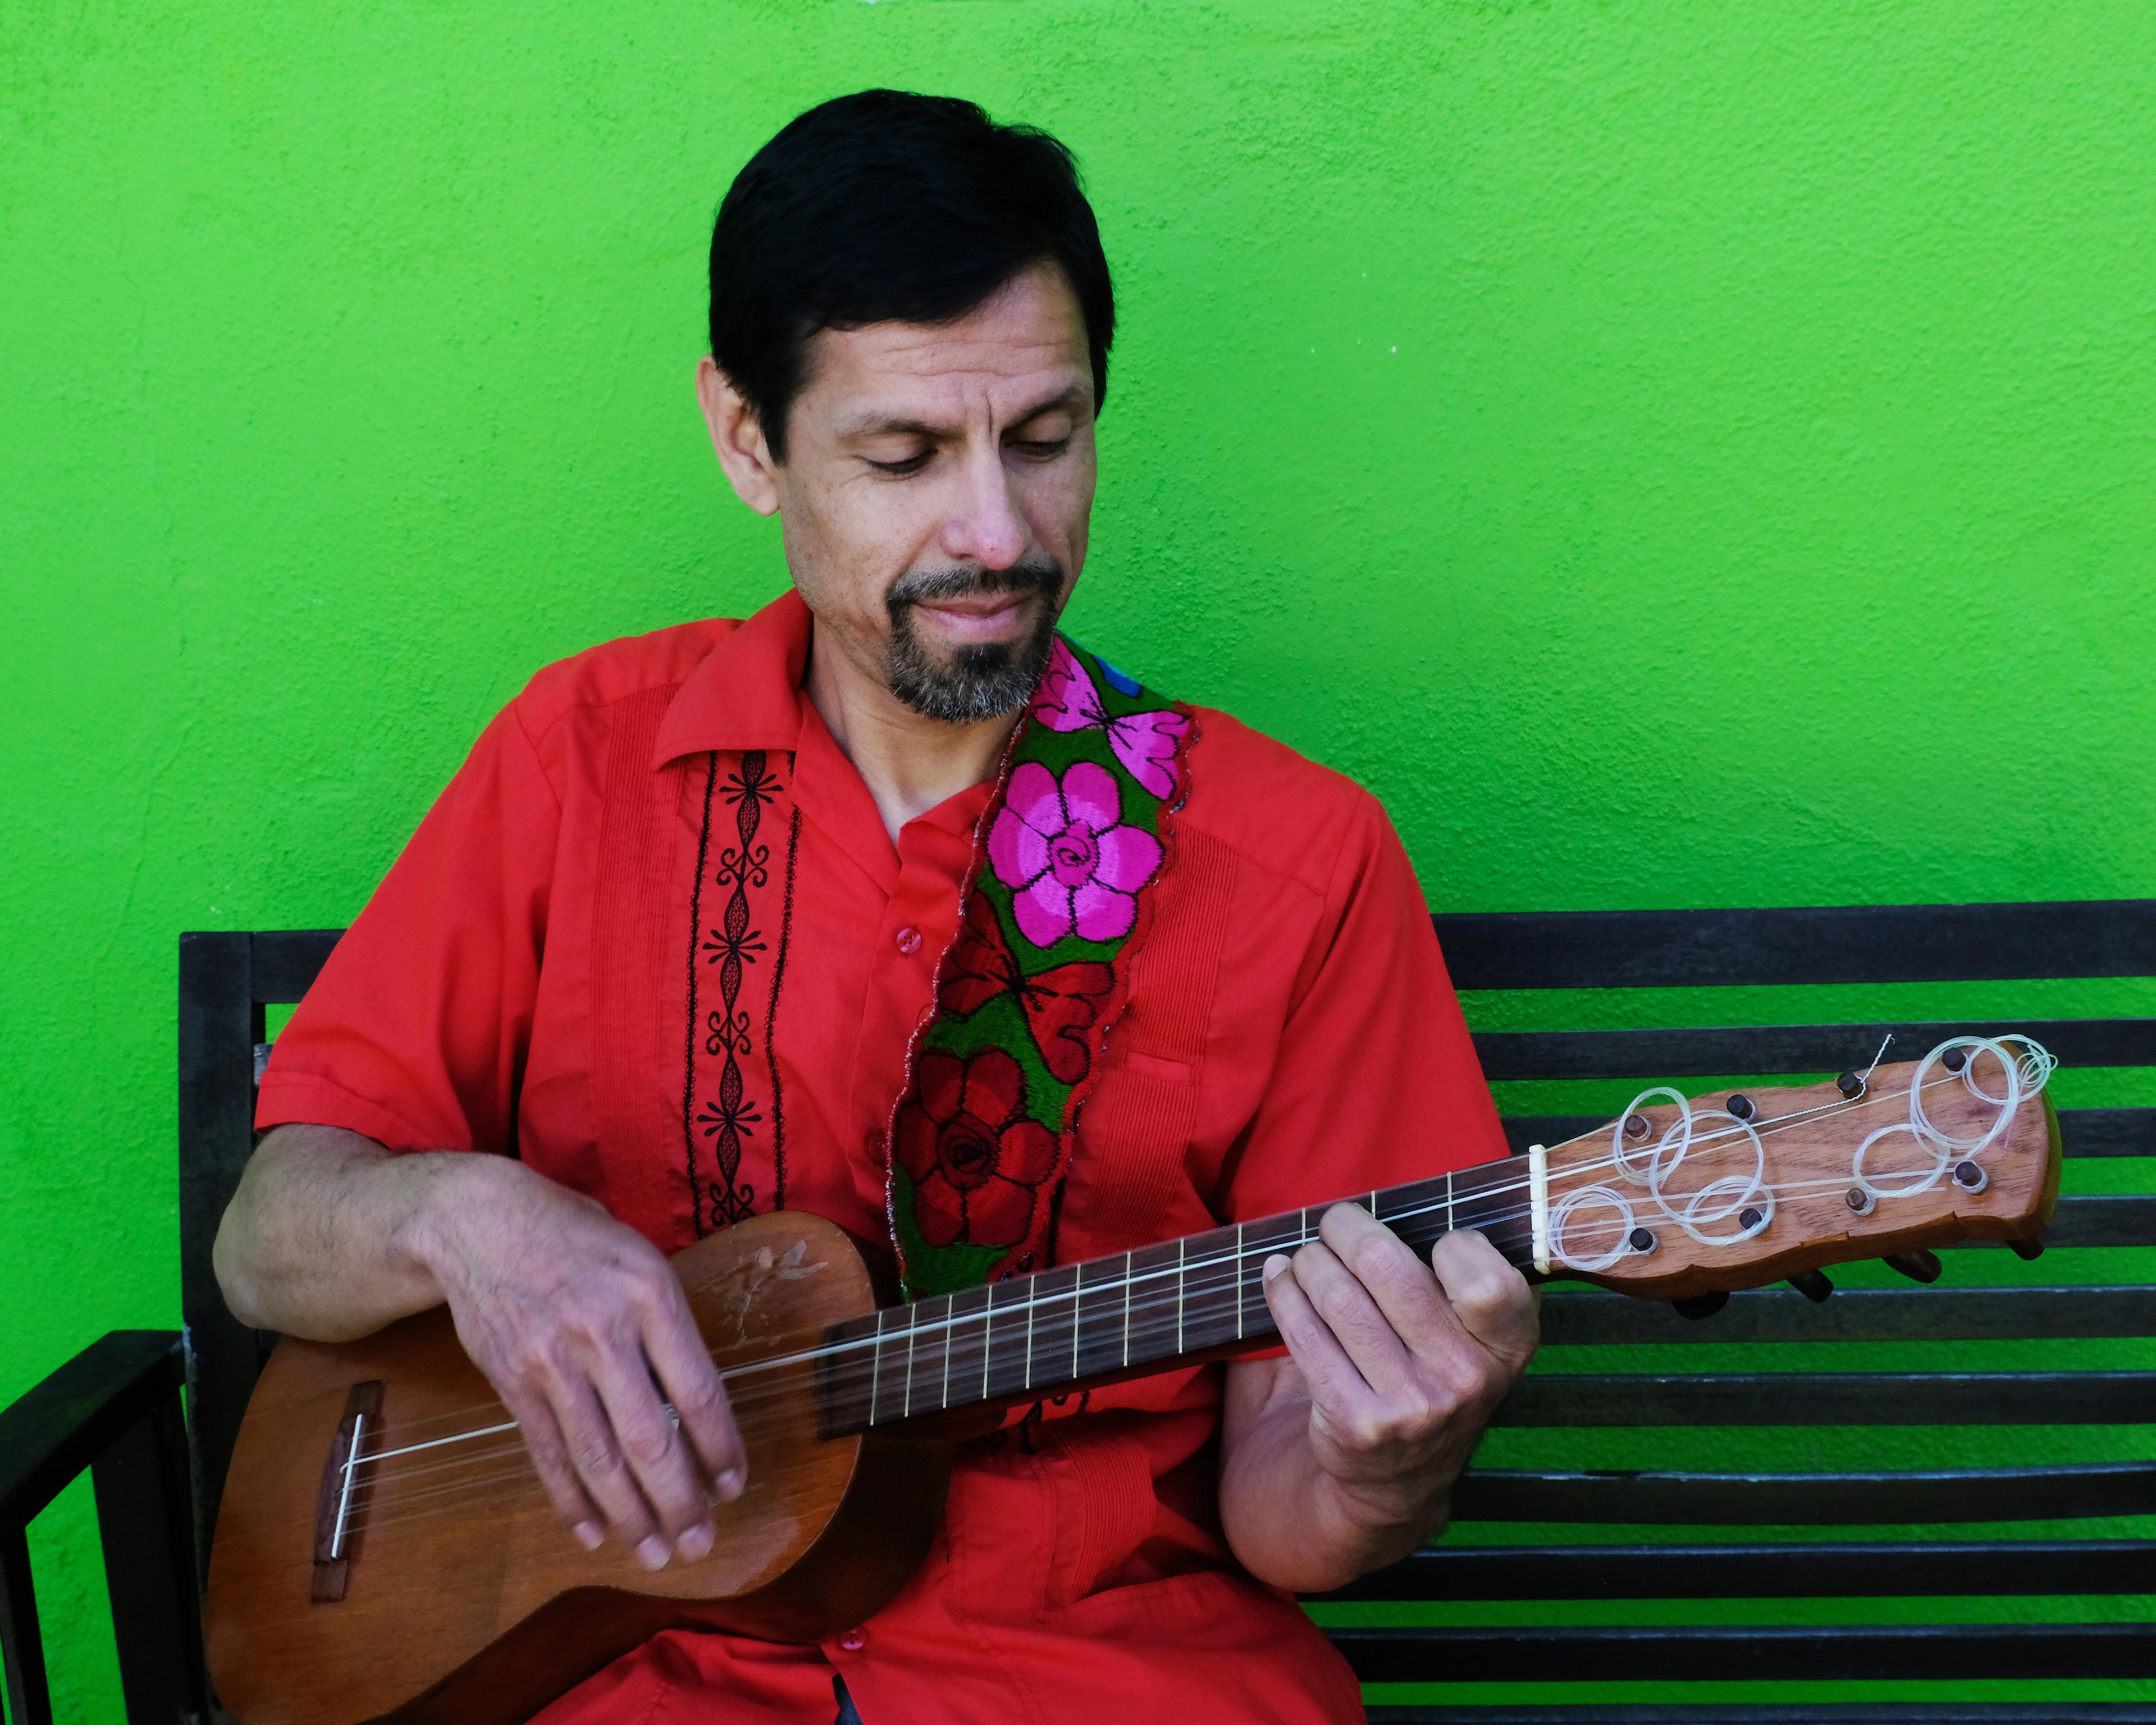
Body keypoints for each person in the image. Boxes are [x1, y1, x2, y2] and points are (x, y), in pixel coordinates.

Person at [214, 89, 1538, 1724]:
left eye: (1045, 438)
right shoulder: (579, 760)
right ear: (747, 440)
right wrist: (461, 1220)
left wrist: (1383, 1459)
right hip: (613, 1670)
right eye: (904, 453)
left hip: (1099, 1675)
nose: (995, 530)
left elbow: (1292, 1517)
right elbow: (275, 1234)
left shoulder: (1301, 860)